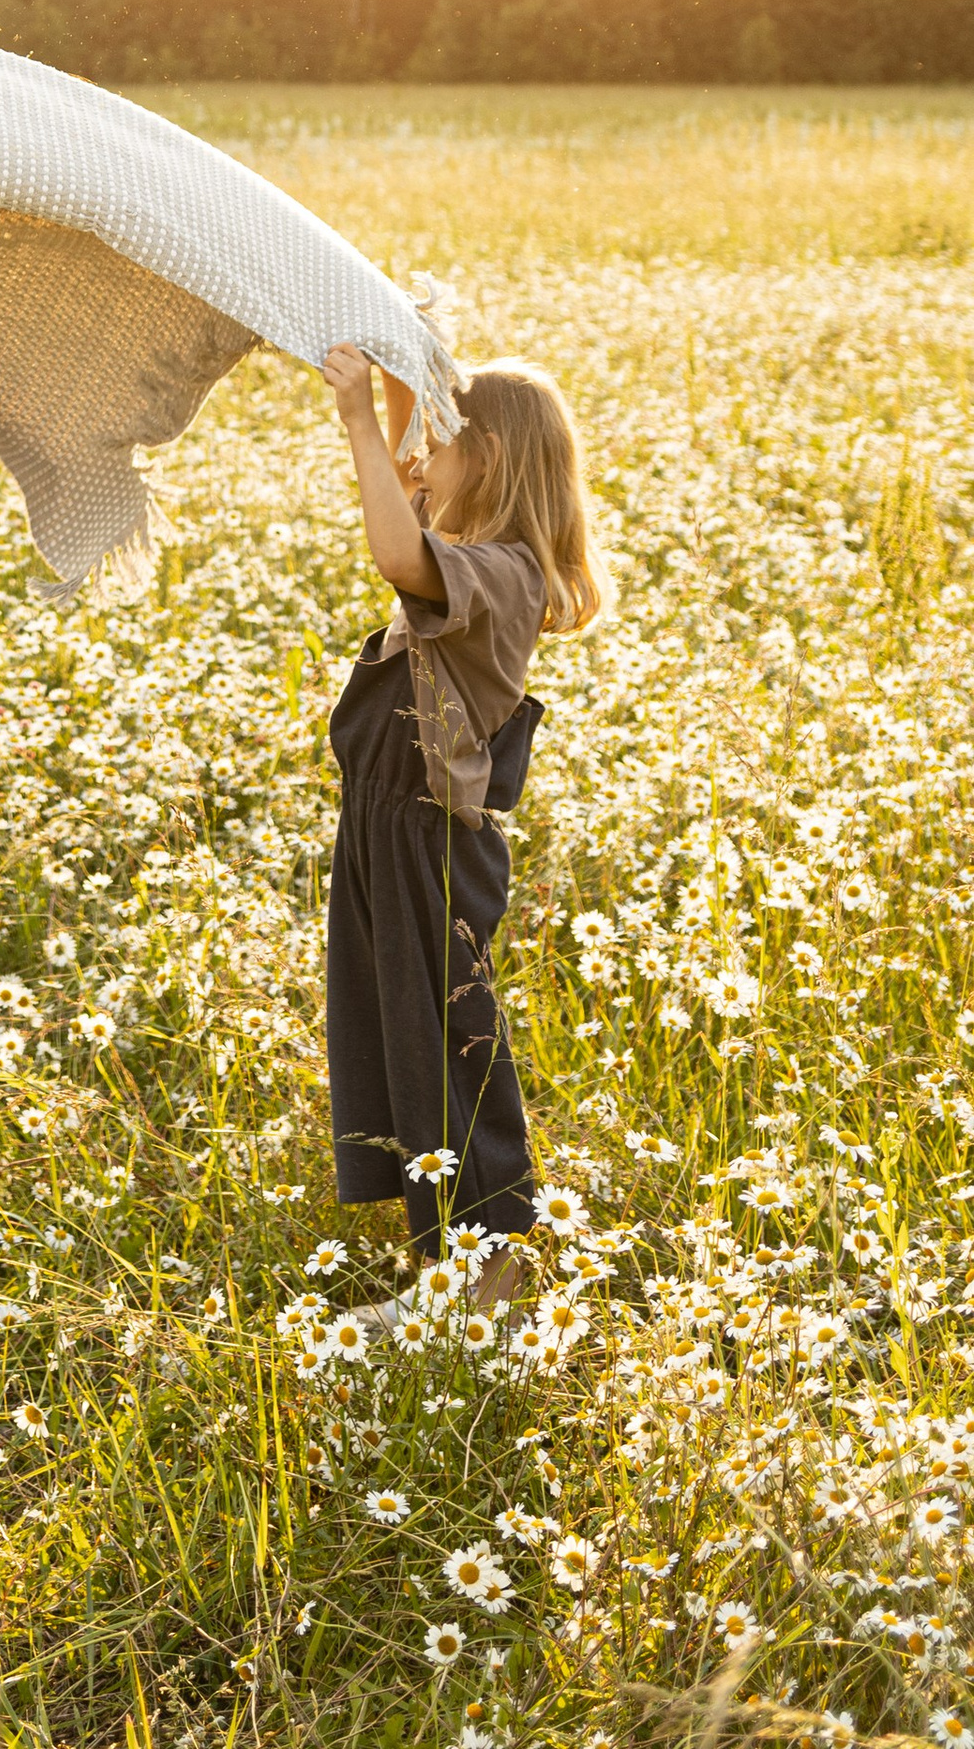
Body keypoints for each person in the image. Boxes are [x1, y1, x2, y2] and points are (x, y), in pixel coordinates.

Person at [316, 342, 607, 1314]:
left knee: (447, 1039)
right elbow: (416, 505)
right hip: (385, 832)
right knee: (398, 1035)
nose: (411, 461)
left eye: (431, 447)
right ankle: (444, 1262)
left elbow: (397, 551)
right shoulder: (476, 564)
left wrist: (358, 416)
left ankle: (486, 1272)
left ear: (484, 456)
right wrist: (404, 361)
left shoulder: (501, 574)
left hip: (428, 839)